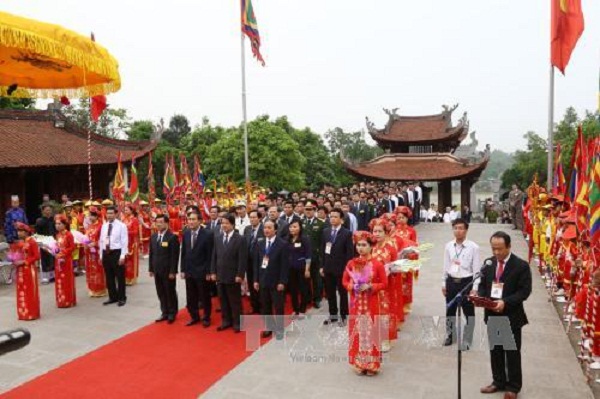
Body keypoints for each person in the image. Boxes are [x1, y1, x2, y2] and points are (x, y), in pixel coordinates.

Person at [478, 231, 532, 399]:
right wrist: (480, 296)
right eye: (493, 248)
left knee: (512, 352)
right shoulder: (489, 264)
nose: (496, 253)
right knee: (496, 350)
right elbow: (483, 284)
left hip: (510, 316)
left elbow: (524, 291)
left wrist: (505, 302)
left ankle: (513, 387)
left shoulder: (520, 266)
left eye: (500, 249)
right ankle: (498, 381)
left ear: (508, 246)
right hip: (492, 314)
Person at [342, 231, 388, 376]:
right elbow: (344, 281)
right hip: (356, 304)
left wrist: (371, 286)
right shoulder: (351, 263)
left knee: (371, 332)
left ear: (371, 247)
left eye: (364, 245)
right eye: (358, 245)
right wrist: (352, 286)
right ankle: (360, 363)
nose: (360, 248)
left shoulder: (377, 264)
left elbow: (384, 283)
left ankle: (372, 364)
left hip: (371, 303)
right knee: (358, 333)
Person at [442, 218, 481, 348]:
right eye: (455, 228)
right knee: (450, 310)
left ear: (466, 230)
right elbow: (446, 266)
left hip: (467, 282)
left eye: (461, 228)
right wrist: (444, 283)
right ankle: (450, 335)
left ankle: (467, 339)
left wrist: (475, 288)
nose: (458, 231)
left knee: (469, 312)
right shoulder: (448, 246)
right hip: (452, 281)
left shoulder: (474, 247)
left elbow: (476, 270)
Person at [210, 213, 247, 333]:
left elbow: (242, 259)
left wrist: (240, 275)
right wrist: (213, 272)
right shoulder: (218, 238)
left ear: (232, 224)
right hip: (220, 274)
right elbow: (214, 256)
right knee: (223, 300)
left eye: (226, 223)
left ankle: (238, 322)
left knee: (234, 300)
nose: (224, 225)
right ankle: (226, 321)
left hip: (233, 275)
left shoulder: (240, 239)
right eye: (222, 223)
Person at [253, 220, 289, 339]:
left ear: (275, 230)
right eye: (265, 228)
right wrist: (256, 280)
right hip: (263, 280)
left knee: (278, 306)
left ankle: (279, 329)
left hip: (276, 281)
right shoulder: (260, 243)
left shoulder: (282, 244)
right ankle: (269, 327)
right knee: (265, 306)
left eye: (269, 228)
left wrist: (282, 281)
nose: (266, 230)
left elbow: (285, 265)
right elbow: (257, 263)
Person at [320, 208, 354, 326]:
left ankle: (344, 315)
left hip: (341, 269)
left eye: (335, 217)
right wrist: (322, 266)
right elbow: (323, 251)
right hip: (328, 268)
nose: (332, 219)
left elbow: (350, 254)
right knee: (330, 293)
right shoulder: (326, 231)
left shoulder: (347, 233)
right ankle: (333, 315)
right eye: (331, 216)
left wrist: (348, 270)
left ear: (341, 219)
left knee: (342, 293)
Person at [180, 211, 214, 327]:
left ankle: (206, 317)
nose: (191, 221)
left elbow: (210, 255)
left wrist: (209, 271)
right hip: (189, 271)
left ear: (200, 221)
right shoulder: (186, 233)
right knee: (191, 297)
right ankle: (194, 316)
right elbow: (183, 253)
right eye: (189, 219)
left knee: (204, 296)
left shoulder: (208, 234)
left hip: (202, 272)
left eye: (193, 219)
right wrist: (183, 269)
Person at [370, 219, 399, 352]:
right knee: (374, 310)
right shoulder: (371, 247)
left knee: (385, 311)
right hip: (372, 285)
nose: (376, 234)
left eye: (380, 231)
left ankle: (386, 339)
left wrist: (390, 270)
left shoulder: (391, 249)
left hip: (387, 285)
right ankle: (376, 336)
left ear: (386, 233)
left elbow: (396, 268)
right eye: (375, 231)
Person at [99, 206, 129, 307]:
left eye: (111, 213)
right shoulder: (104, 226)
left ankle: (122, 297)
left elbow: (124, 241)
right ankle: (112, 297)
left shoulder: (121, 226)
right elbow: (101, 241)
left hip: (116, 252)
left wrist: (122, 256)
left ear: (116, 214)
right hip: (106, 253)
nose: (109, 215)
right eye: (108, 213)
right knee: (109, 276)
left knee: (120, 276)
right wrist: (101, 255)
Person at [13, 222, 41, 320]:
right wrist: (14, 260)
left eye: (21, 231)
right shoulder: (19, 243)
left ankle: (31, 313)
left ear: (26, 232)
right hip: (20, 271)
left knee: (29, 290)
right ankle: (23, 313)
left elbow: (37, 256)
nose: (19, 233)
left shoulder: (32, 242)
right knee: (21, 290)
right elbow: (16, 255)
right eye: (18, 231)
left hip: (29, 269)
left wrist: (24, 261)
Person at [302, 201, 326, 309]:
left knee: (316, 279)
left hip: (316, 255)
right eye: (306, 209)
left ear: (314, 210)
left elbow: (323, 241)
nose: (308, 211)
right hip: (303, 256)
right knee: (305, 279)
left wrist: (322, 255)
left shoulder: (321, 223)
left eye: (310, 209)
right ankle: (307, 298)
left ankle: (317, 299)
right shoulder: (301, 222)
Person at [287, 220, 312, 317]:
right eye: (291, 227)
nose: (292, 229)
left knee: (303, 288)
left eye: (295, 227)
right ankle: (295, 309)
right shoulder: (288, 239)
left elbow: (308, 255)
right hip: (291, 268)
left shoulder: (304, 239)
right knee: (293, 290)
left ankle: (302, 309)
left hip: (302, 267)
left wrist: (307, 269)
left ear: (300, 228)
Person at [243, 210, 264, 314]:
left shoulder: (265, 228)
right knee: (251, 284)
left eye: (254, 217)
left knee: (260, 284)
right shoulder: (247, 229)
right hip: (249, 262)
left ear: (259, 218)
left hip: (261, 263)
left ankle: (262, 306)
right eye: (250, 217)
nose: (252, 219)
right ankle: (254, 305)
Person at [53, 214, 76, 308]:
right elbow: (57, 247)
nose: (57, 226)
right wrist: (54, 251)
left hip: (66, 261)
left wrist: (63, 252)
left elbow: (72, 247)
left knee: (66, 280)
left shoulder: (69, 234)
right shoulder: (57, 235)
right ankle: (61, 300)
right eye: (56, 224)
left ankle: (68, 300)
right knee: (59, 280)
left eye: (59, 224)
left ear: (64, 224)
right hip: (58, 260)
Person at [83, 207, 107, 297]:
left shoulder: (101, 226)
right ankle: (92, 289)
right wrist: (84, 242)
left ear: (97, 216)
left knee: (98, 270)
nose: (90, 217)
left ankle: (100, 289)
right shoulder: (89, 226)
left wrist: (95, 244)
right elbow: (86, 238)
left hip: (97, 252)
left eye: (93, 216)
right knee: (90, 270)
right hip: (89, 252)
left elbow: (103, 240)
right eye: (90, 215)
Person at [35, 203, 56, 284]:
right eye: (47, 210)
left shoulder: (53, 220)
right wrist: (40, 244)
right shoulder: (39, 221)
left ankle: (52, 276)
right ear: (43, 211)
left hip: (53, 242)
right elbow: (37, 234)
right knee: (45, 260)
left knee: (52, 259)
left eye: (50, 210)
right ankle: (45, 278)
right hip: (44, 243)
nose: (49, 211)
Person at [122, 204, 140, 286]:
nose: (125, 211)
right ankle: (125, 278)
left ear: (131, 211)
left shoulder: (134, 220)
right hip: (124, 243)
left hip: (132, 243)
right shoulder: (123, 219)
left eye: (126, 210)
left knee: (131, 261)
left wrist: (126, 232)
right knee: (124, 261)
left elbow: (136, 232)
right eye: (124, 210)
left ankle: (131, 278)